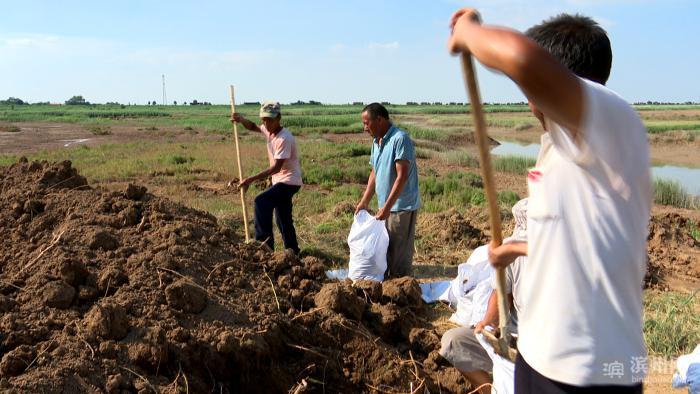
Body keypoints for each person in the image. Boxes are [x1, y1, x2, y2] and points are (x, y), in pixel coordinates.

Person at [449, 9, 651, 393]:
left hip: (585, 371)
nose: (528, 97)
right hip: (543, 357)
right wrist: (516, 248)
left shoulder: (606, 119)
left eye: (533, 88)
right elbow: (582, 235)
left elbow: (520, 57)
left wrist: (469, 33)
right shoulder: (565, 145)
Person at [440, 198, 528, 394]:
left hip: (545, 353)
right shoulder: (512, 257)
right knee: (455, 341)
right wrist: (485, 326)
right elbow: (500, 302)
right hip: (511, 341)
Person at [355, 103, 420, 278]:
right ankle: (390, 287)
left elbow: (402, 176)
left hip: (401, 207)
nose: (364, 128)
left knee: (399, 255)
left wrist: (388, 207)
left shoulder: (400, 139)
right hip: (386, 206)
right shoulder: (376, 142)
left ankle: (402, 291)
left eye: (367, 123)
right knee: (386, 250)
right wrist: (365, 201)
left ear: (380, 120)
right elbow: (375, 172)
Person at [231, 101, 303, 255]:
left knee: (261, 202)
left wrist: (250, 179)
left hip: (289, 181)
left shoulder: (284, 138)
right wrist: (242, 119)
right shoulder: (269, 131)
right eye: (264, 119)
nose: (266, 123)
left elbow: (276, 168)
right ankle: (293, 251)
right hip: (280, 181)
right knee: (282, 217)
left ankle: (264, 247)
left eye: (270, 120)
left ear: (279, 118)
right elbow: (253, 127)